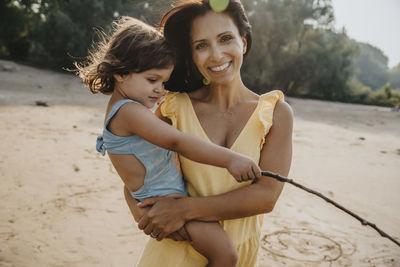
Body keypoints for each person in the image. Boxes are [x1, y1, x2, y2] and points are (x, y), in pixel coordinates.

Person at [75, 16, 263, 267]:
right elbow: (177, 141)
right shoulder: (129, 112)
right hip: (167, 202)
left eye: (164, 82)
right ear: (121, 73)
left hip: (163, 199)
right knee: (225, 255)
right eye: (152, 80)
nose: (160, 90)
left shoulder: (129, 110)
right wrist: (231, 158)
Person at [124, 0, 293, 266]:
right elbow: (134, 172)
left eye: (225, 39)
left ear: (244, 42)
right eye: (201, 45)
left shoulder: (276, 114)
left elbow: (267, 196)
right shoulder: (174, 108)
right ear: (191, 55)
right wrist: (148, 219)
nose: (215, 55)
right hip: (173, 254)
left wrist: (183, 210)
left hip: (238, 255)